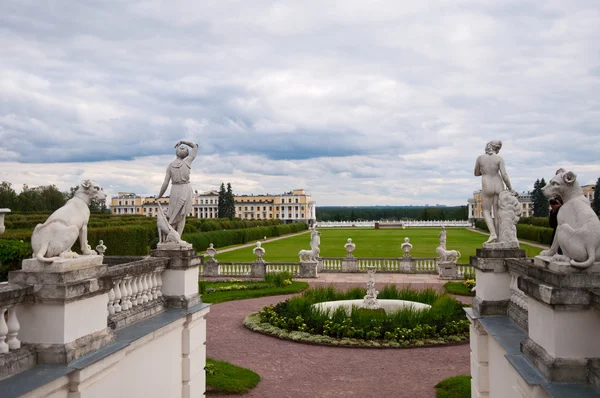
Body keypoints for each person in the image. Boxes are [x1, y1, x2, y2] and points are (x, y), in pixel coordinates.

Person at [474, 140, 516, 243]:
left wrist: (484, 172)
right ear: (496, 148)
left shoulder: (480, 158)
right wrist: (511, 189)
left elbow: (476, 173)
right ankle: (499, 239)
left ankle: (493, 234)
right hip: (499, 185)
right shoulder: (499, 158)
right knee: (498, 213)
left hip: (487, 184)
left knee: (486, 211)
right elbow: (504, 175)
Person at [158, 140, 198, 235]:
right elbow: (195, 147)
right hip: (185, 188)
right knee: (181, 215)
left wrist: (159, 195)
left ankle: (172, 237)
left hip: (175, 190)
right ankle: (177, 237)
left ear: (177, 152)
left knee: (173, 215)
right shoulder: (188, 161)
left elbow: (165, 183)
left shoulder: (170, 166)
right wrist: (183, 142)